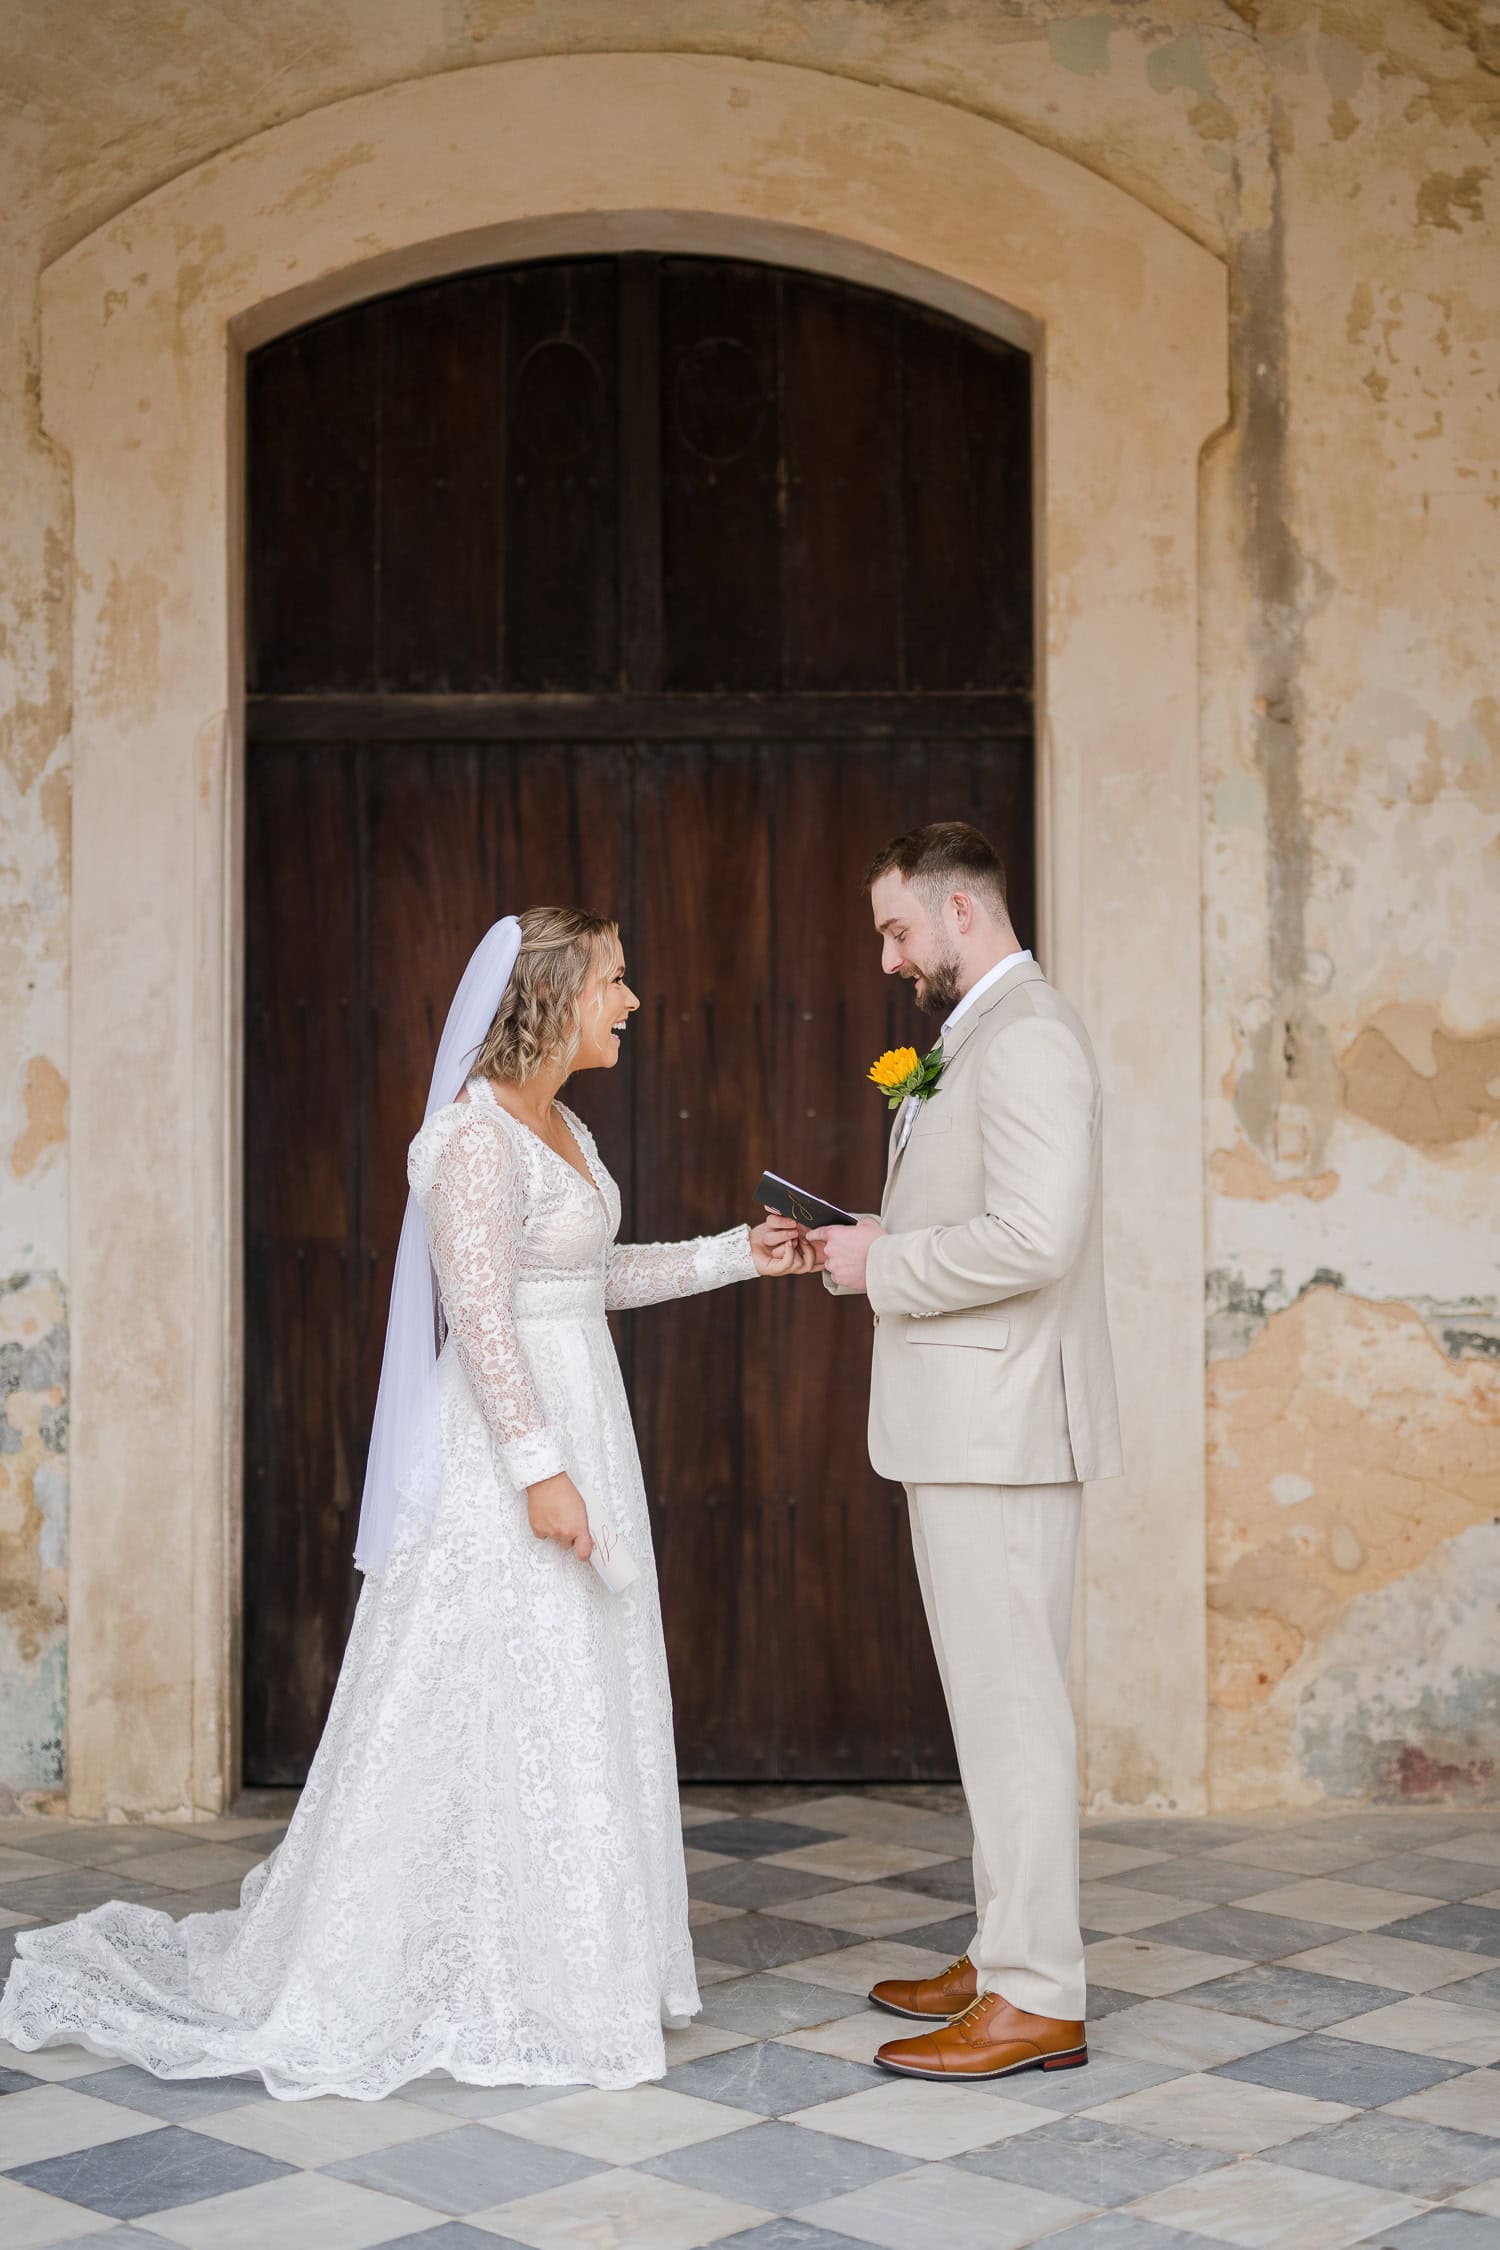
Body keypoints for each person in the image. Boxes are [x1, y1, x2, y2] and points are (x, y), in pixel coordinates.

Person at [0, 908, 811, 2099]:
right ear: (550, 997)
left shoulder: (567, 1126)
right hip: (509, 1455)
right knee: (495, 1691)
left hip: (583, 1420)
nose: (632, 1003)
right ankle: (471, 1973)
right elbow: (480, 1318)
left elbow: (585, 1285)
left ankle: (572, 1967)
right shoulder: (470, 1141)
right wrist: (539, 1472)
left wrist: (744, 1253)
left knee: (570, 1693)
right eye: (615, 982)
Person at [809, 822, 1122, 2084]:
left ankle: (1039, 1994)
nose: (889, 957)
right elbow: (984, 1217)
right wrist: (884, 1231)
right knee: (994, 1712)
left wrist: (886, 1266)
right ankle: (1006, 1953)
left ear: (957, 912)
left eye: (896, 930)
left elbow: (1038, 1240)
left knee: (1015, 1720)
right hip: (972, 1421)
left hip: (1002, 1428)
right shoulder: (977, 1037)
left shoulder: (1029, 1036)